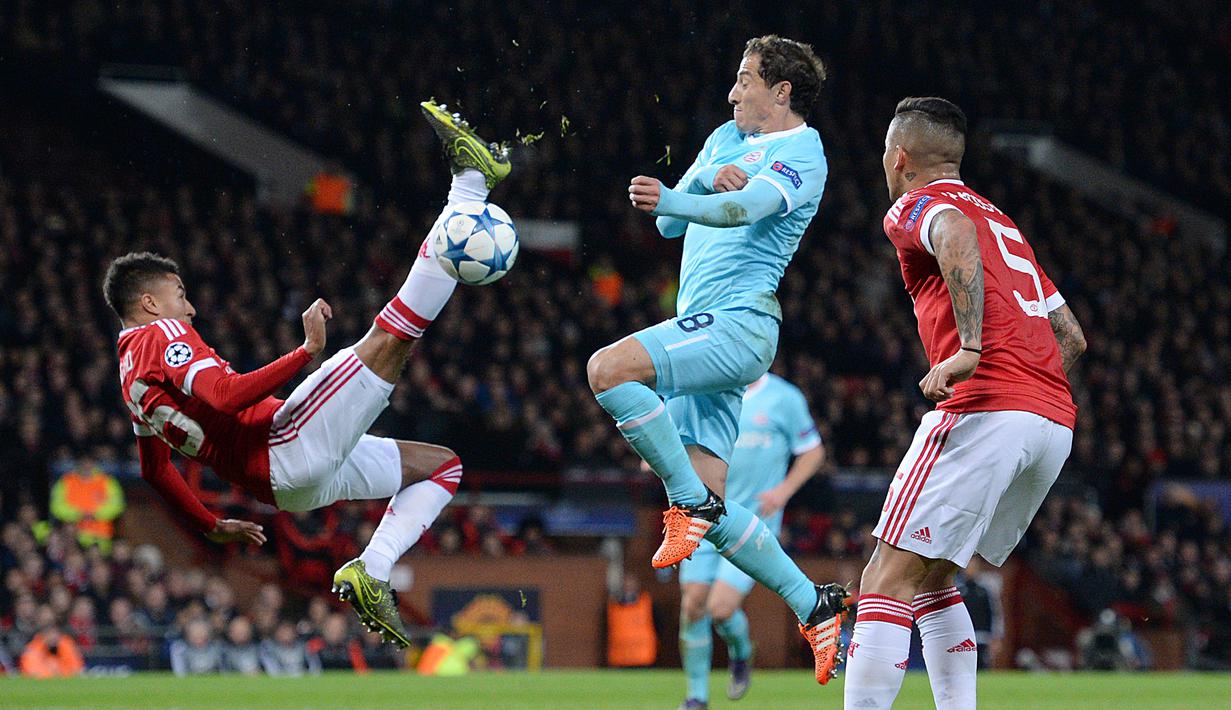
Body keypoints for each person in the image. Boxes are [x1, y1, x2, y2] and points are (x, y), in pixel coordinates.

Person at [104, 101, 511, 648]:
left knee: (442, 468)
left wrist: (210, 524)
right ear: (150, 303)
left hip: (289, 487)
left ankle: (373, 569)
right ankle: (469, 185)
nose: (191, 308)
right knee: (390, 338)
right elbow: (222, 396)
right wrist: (305, 353)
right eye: (180, 295)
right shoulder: (162, 335)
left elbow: (155, 470)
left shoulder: (129, 378)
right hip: (286, 444)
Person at [591, 34, 848, 683]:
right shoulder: (723, 138)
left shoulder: (803, 151)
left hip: (738, 324)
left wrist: (679, 196)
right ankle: (812, 603)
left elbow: (743, 209)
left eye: (745, 79)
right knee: (711, 507)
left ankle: (687, 502)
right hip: (702, 327)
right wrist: (700, 179)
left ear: (780, 91)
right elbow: (668, 225)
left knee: (607, 370)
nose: (732, 92)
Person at [843, 97, 1087, 709]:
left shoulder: (919, 205)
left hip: (988, 407)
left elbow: (950, 231)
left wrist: (973, 349)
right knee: (934, 581)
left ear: (900, 157)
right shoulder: (1005, 225)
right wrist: (1027, 394)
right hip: (1051, 421)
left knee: (885, 577)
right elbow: (1072, 337)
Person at [676, 372, 824, 709]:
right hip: (703, 517)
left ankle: (741, 652)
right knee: (693, 605)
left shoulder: (783, 397)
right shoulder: (706, 388)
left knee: (720, 608)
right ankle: (696, 697)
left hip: (752, 525)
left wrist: (784, 491)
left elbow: (813, 452)